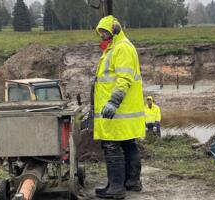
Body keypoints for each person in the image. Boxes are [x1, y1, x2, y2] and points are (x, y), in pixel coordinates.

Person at [92, 15, 145, 199]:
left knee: (111, 145)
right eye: (100, 33)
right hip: (123, 111)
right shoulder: (117, 47)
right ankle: (131, 182)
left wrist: (113, 101)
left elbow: (124, 79)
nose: (102, 36)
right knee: (128, 144)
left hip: (117, 111)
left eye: (104, 32)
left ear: (114, 29)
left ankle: (116, 187)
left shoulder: (122, 48)